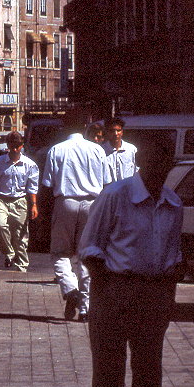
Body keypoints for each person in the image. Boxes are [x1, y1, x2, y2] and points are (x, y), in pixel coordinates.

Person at [79, 148, 183, 387]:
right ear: (140, 161)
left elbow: (173, 254)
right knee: (108, 376)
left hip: (154, 295)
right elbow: (90, 247)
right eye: (153, 160)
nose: (159, 167)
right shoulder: (115, 195)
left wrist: (166, 294)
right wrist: (109, 291)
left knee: (149, 375)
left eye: (165, 161)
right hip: (114, 291)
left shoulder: (173, 203)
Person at [40, 119, 110, 321]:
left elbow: (47, 184)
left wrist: (45, 215)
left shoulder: (56, 149)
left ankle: (70, 289)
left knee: (60, 253)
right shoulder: (97, 150)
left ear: (64, 130)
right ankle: (86, 309)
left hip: (65, 202)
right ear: (84, 129)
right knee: (86, 255)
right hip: (92, 204)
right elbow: (107, 183)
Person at [0, 131, 38, 272]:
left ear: (22, 146)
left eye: (18, 146)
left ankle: (22, 266)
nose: (15, 149)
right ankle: (9, 253)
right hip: (0, 200)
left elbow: (32, 187)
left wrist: (34, 205)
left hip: (20, 201)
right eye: (12, 146)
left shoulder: (29, 165)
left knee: (20, 235)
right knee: (0, 225)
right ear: (8, 146)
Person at [101, 117, 138, 184]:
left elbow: (137, 171)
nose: (115, 134)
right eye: (112, 131)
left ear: (122, 132)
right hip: (109, 191)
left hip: (128, 190)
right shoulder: (101, 151)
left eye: (118, 130)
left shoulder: (131, 149)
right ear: (106, 132)